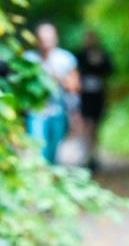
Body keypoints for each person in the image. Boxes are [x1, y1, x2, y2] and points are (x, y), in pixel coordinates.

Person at [23, 22, 80, 164]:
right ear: (36, 40)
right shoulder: (28, 59)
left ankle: (50, 172)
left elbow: (75, 86)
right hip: (35, 111)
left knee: (53, 148)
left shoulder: (66, 59)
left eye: (49, 40)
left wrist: (58, 79)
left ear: (56, 39)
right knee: (38, 146)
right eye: (42, 40)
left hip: (58, 110)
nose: (45, 44)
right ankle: (41, 175)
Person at [75, 29, 114, 172]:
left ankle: (94, 155)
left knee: (96, 125)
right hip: (83, 95)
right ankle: (85, 154)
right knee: (85, 124)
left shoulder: (103, 54)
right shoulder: (80, 55)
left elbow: (110, 70)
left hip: (98, 95)